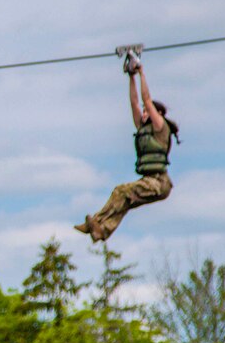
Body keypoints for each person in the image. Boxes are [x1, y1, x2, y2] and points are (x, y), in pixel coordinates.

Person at [75, 63, 179, 242]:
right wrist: (131, 78)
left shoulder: (160, 126)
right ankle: (101, 230)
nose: (145, 113)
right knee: (124, 200)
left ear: (158, 113)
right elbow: (134, 102)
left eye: (148, 111)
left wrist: (141, 74)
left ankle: (99, 222)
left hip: (159, 182)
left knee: (121, 191)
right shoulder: (144, 128)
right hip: (149, 180)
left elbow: (146, 99)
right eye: (145, 112)